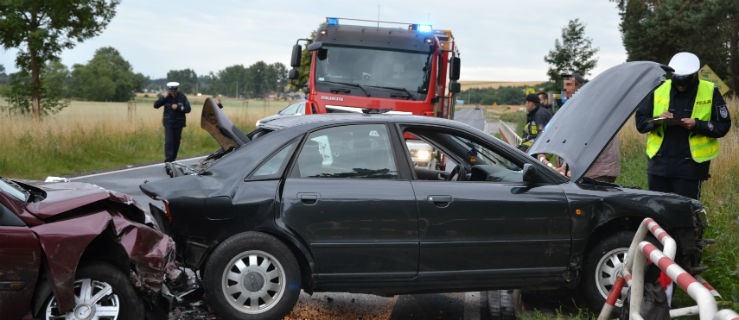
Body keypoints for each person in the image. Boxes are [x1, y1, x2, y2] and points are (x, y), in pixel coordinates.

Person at [635, 52, 731, 200]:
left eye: (684, 84)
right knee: (657, 213)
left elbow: (722, 126)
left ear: (694, 76)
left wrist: (697, 124)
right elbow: (641, 123)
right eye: (678, 83)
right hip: (659, 166)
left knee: (685, 216)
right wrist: (658, 119)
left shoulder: (711, 90)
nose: (681, 88)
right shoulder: (658, 88)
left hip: (690, 169)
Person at [154, 81, 191, 165]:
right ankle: (168, 161)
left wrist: (178, 107)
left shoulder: (182, 97)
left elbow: (188, 109)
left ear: (177, 89)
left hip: (179, 122)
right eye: (171, 91)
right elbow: (156, 105)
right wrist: (163, 97)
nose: (173, 93)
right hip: (168, 122)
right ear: (169, 90)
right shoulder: (166, 97)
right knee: (169, 141)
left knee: (176, 142)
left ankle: (173, 159)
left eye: (174, 91)